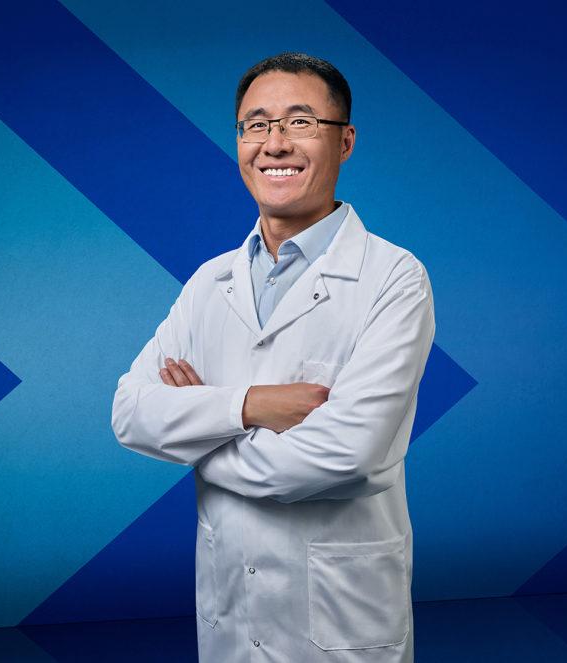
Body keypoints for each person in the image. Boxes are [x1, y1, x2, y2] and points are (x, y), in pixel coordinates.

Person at [112, 52, 435, 662]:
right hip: (231, 612)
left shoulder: (393, 278)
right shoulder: (211, 283)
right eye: (255, 125)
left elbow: (349, 456)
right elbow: (131, 414)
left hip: (340, 620)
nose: (274, 144)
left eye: (301, 122)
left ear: (345, 142)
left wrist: (199, 440)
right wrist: (249, 406)